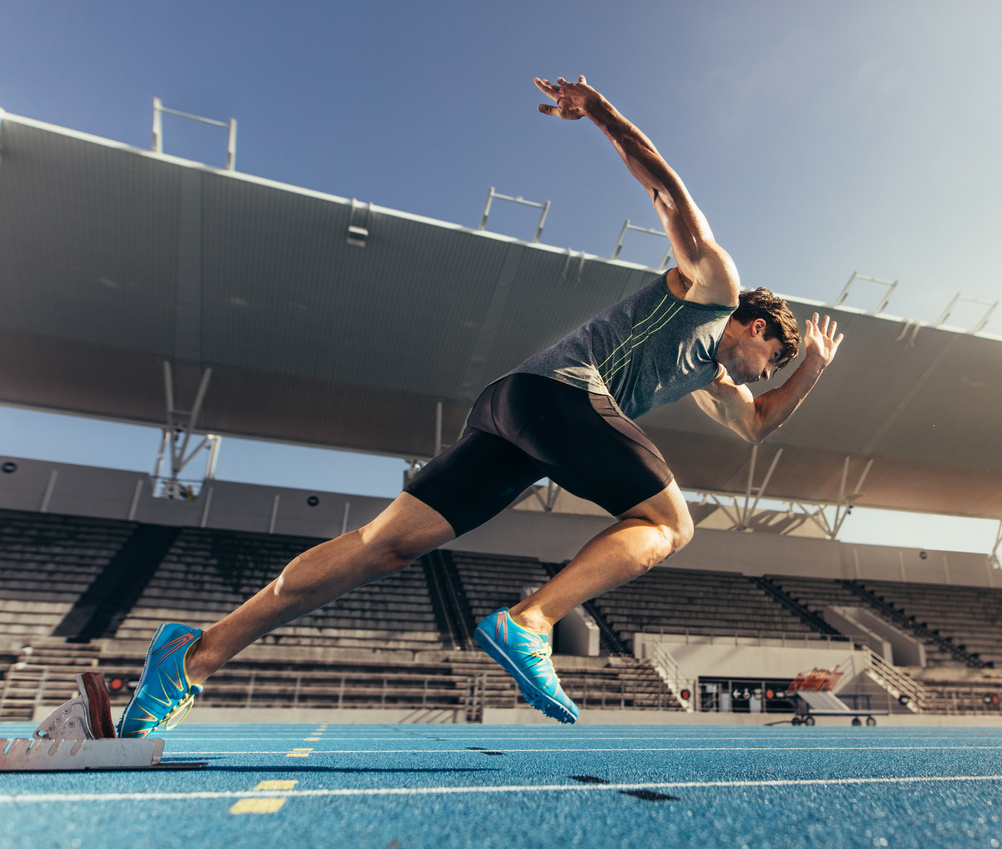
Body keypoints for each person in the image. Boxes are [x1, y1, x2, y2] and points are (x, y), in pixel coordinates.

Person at [117, 75, 842, 733]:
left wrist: (809, 368)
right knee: (668, 522)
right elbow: (667, 191)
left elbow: (758, 422)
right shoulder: (713, 285)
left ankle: (191, 657)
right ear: (755, 325)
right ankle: (531, 621)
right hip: (557, 395)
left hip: (514, 417)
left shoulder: (712, 378)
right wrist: (600, 113)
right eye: (774, 355)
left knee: (382, 546)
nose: (765, 371)